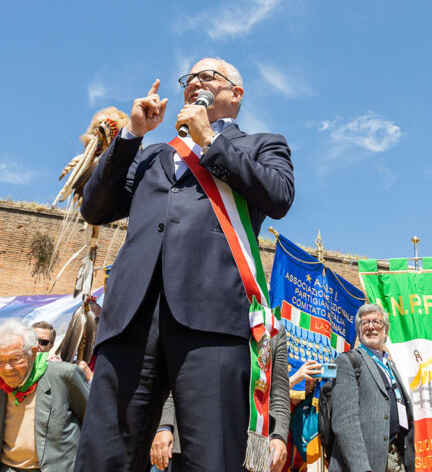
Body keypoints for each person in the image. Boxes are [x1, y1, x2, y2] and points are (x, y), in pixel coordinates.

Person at [74, 58, 295, 471]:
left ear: (235, 94)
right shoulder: (153, 154)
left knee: (211, 455)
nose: (194, 82)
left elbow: (279, 196)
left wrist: (209, 138)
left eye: (207, 76)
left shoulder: (261, 145)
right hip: (132, 315)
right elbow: (95, 207)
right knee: (105, 453)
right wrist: (131, 135)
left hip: (211, 316)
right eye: (189, 78)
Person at [148, 327, 292, 472]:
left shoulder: (273, 328)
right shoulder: (198, 313)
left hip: (250, 452)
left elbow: (279, 393)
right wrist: (163, 426)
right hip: (189, 444)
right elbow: (175, 373)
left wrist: (279, 436)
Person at [0, 320, 88, 472]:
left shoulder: (64, 377)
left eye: (15, 359)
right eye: (1, 361)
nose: (8, 368)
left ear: (33, 352)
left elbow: (93, 421)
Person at [329, 304, 414, 472]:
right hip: (366, 462)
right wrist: (361, 468)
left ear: (386, 331)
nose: (370, 326)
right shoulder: (348, 361)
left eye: (376, 321)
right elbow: (345, 421)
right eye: (364, 322)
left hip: (396, 455)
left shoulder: (390, 365)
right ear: (359, 332)